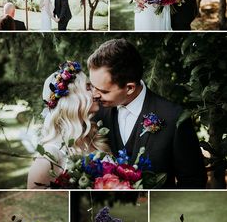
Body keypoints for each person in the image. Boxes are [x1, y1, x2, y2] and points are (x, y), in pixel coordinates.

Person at [88, 37, 207, 189]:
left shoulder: (174, 118)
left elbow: (193, 182)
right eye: (93, 86)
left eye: (103, 91)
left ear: (130, 88)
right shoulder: (96, 114)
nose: (94, 95)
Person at [27, 60, 103, 189]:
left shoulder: (90, 138)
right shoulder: (49, 156)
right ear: (72, 97)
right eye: (89, 87)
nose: (97, 93)